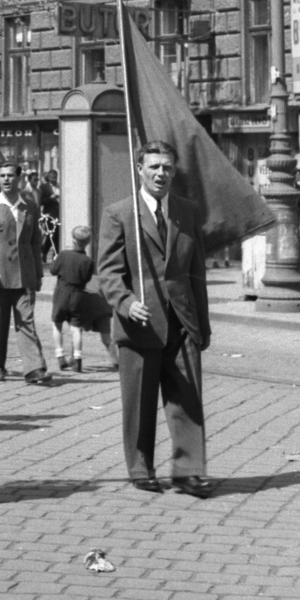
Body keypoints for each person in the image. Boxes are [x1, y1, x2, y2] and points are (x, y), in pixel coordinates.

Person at [96, 139, 213, 498]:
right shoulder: (120, 214)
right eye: (154, 167)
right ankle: (140, 468)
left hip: (181, 323)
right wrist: (127, 302)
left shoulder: (186, 212)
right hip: (140, 324)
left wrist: (202, 326)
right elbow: (107, 272)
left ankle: (189, 472)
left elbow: (196, 273)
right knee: (140, 404)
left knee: (187, 401)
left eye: (167, 167)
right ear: (139, 170)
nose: (161, 173)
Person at [0, 159, 51, 385]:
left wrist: (37, 274)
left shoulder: (29, 205)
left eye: (10, 175)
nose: (6, 179)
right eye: (2, 176)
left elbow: (35, 242)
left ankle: (34, 368)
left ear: (19, 178)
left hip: (24, 272)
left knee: (26, 320)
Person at [47, 226, 117, 373]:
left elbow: (53, 270)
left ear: (73, 240)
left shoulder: (63, 254)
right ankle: (78, 360)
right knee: (75, 328)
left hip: (62, 293)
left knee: (57, 324)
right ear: (88, 241)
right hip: (77, 294)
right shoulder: (88, 261)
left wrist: (55, 261)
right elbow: (86, 279)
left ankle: (60, 355)